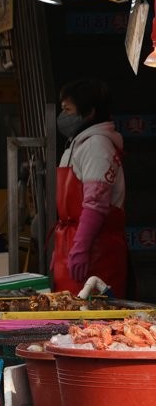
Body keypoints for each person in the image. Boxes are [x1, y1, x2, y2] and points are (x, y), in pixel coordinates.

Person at [51, 78, 127, 294]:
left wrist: (81, 248)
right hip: (72, 243)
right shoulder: (78, 144)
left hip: (97, 252)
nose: (63, 116)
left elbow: (96, 204)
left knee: (94, 322)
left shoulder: (97, 145)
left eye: (68, 110)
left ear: (89, 112)